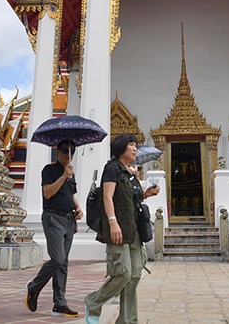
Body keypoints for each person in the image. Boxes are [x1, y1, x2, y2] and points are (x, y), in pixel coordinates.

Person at [84, 133, 160, 324]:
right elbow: (107, 197)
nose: (135, 148)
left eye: (136, 145)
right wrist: (112, 222)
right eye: (131, 145)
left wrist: (146, 194)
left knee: (134, 276)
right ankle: (93, 301)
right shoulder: (112, 169)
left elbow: (131, 200)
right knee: (123, 272)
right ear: (121, 148)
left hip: (134, 230)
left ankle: (128, 320)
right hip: (117, 228)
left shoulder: (130, 172)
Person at [25, 139, 84, 318]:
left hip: (68, 219)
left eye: (72, 151)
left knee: (63, 264)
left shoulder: (71, 173)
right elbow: (48, 193)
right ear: (57, 152)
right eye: (65, 151)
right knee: (57, 259)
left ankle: (59, 303)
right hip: (53, 217)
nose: (68, 155)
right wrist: (64, 176)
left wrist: (79, 207)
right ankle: (33, 287)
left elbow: (70, 194)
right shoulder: (49, 170)